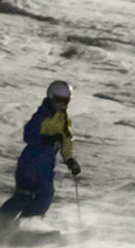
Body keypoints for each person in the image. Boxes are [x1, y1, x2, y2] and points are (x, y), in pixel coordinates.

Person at [0, 80, 82, 230]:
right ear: (51, 98)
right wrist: (48, 139)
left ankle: (23, 228)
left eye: (66, 101)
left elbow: (66, 142)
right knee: (24, 197)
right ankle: (2, 223)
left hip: (46, 169)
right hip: (29, 165)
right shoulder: (41, 116)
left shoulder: (63, 121)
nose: (63, 105)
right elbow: (28, 135)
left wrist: (69, 160)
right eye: (59, 101)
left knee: (44, 199)